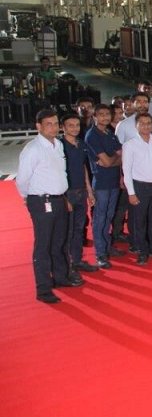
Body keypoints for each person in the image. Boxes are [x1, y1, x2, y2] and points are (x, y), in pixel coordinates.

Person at [17, 109, 78, 303]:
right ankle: (43, 288)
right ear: (39, 126)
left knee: (59, 242)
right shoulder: (33, 149)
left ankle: (60, 277)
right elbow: (22, 179)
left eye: (55, 123)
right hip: (41, 201)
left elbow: (60, 174)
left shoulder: (58, 145)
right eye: (48, 124)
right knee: (43, 245)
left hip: (59, 199)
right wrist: (29, 198)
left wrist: (64, 197)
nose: (53, 127)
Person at [122, 113, 152, 266]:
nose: (146, 126)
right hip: (139, 187)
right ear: (136, 125)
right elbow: (126, 171)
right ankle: (142, 250)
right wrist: (131, 193)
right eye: (142, 123)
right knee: (140, 220)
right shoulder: (130, 144)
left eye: (149, 123)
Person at [84, 104, 123, 269]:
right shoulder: (92, 135)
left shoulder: (110, 133)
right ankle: (100, 253)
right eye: (101, 114)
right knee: (100, 217)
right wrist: (114, 159)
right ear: (94, 117)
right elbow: (106, 162)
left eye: (107, 114)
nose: (105, 117)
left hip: (114, 181)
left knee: (109, 216)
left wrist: (112, 160)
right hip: (101, 183)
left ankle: (107, 247)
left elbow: (121, 156)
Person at [60, 113, 97, 273]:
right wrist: (63, 197)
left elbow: (83, 168)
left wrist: (89, 191)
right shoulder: (59, 146)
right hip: (67, 193)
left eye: (77, 125)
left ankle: (77, 260)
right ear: (63, 127)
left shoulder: (81, 144)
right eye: (71, 125)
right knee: (66, 230)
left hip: (81, 192)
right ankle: (66, 264)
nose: (75, 128)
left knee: (78, 228)